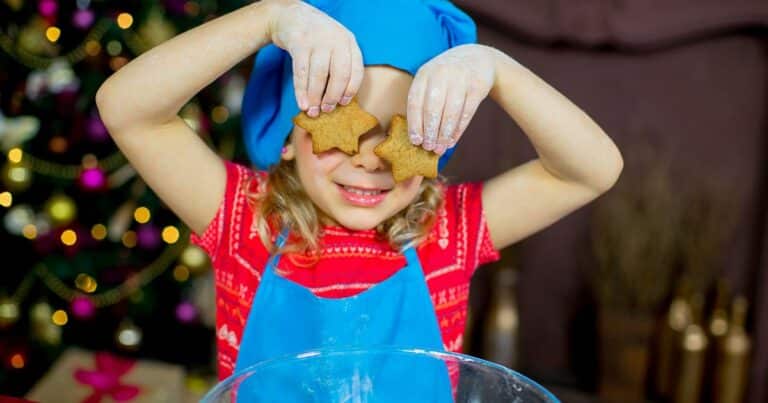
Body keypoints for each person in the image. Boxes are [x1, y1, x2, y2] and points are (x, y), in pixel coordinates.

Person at [95, 0, 622, 398]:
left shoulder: (448, 229)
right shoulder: (242, 216)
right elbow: (124, 109)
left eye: (408, 132)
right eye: (340, 124)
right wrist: (271, 18)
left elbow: (593, 170)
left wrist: (495, 69)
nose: (370, 160)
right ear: (285, 133)